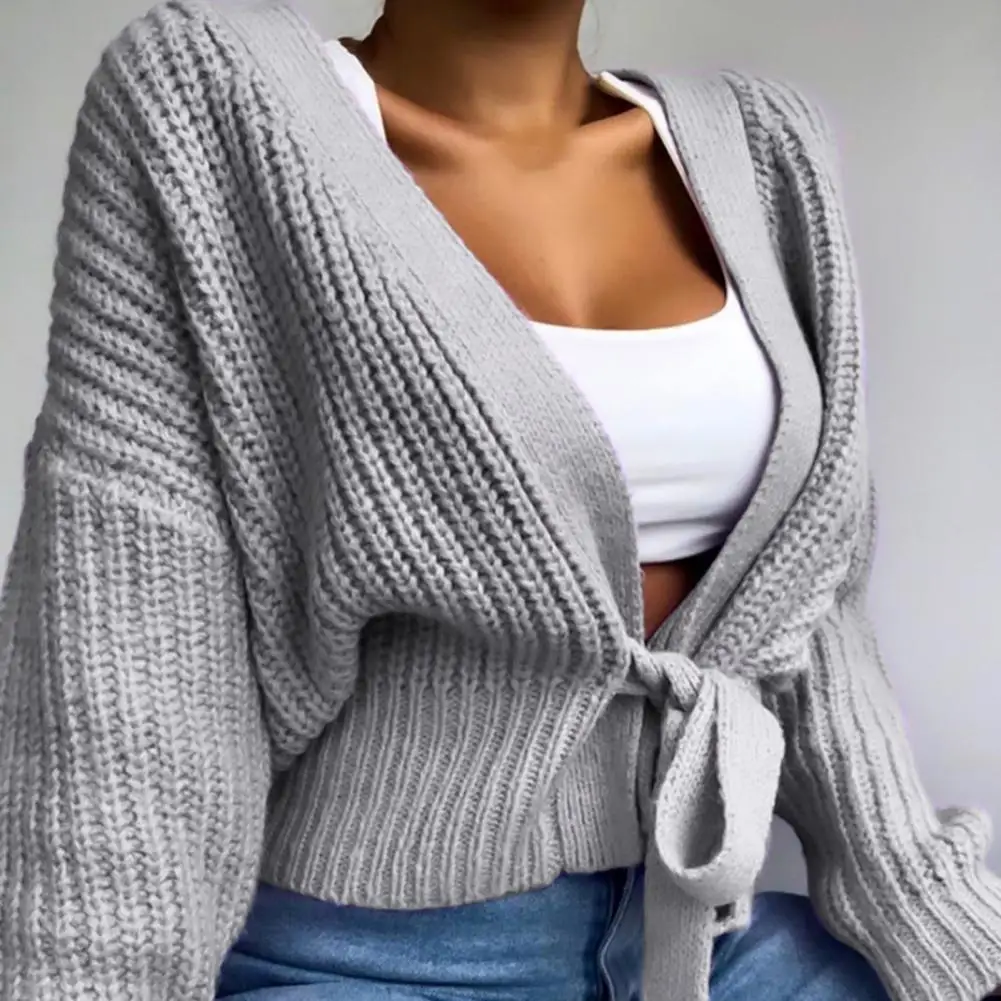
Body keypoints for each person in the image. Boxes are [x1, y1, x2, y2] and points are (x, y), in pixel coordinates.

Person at [1, 0, 999, 999]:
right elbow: (128, 646)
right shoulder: (212, 107)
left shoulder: (767, 150)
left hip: (701, 942)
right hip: (373, 958)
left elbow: (806, 609)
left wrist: (933, 919)